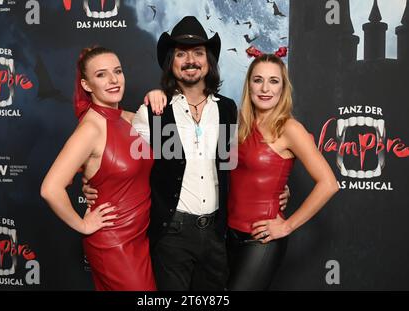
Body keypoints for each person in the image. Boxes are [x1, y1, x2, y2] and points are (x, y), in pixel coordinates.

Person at [83, 16, 289, 291]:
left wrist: (276, 190)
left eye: (198, 53)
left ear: (208, 61)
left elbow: (237, 164)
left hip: (217, 234)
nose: (190, 60)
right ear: (172, 62)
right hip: (172, 234)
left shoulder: (228, 110)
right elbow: (112, 143)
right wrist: (90, 181)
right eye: (181, 53)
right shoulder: (152, 112)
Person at [40, 46, 156, 291]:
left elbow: (176, 143)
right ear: (87, 85)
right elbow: (50, 189)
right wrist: (83, 225)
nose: (114, 80)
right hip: (114, 244)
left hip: (140, 238)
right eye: (102, 75)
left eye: (118, 71)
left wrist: (158, 94)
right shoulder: (91, 129)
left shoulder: (129, 118)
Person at [226, 48, 339, 290]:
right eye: (258, 80)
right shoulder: (238, 124)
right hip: (226, 235)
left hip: (261, 240)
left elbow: (329, 183)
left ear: (282, 88)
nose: (265, 89)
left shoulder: (289, 128)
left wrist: (287, 226)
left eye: (273, 81)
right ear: (249, 86)